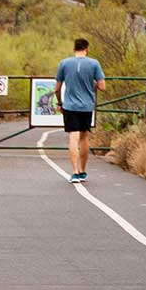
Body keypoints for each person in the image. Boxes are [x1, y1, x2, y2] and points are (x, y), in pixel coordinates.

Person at [53, 38, 106, 182]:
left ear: (74, 48)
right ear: (87, 48)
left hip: (70, 105)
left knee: (73, 137)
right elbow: (102, 86)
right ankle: (83, 170)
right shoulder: (94, 64)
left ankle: (75, 172)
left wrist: (60, 102)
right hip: (87, 106)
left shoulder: (64, 63)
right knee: (84, 137)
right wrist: (93, 84)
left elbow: (57, 88)